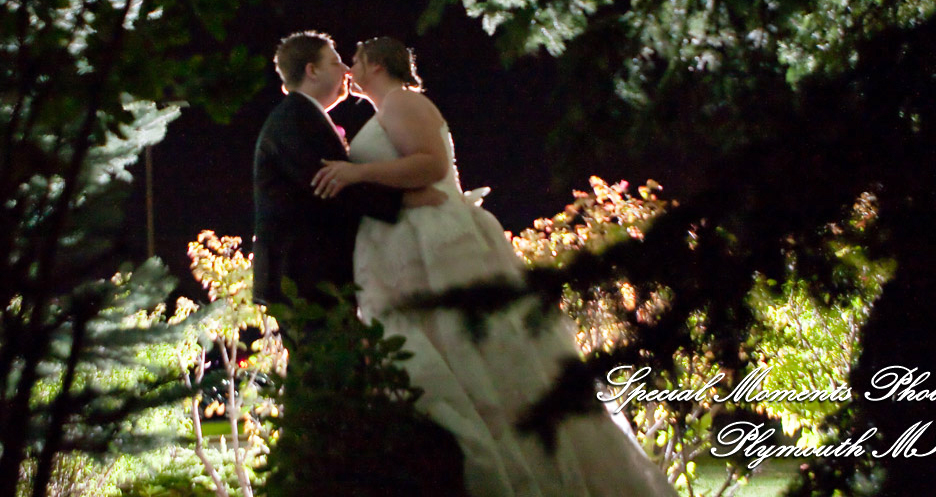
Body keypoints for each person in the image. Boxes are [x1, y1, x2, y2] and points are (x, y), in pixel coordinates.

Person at [311, 37, 676, 497]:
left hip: (433, 244)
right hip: (406, 243)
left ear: (380, 64)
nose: (350, 68)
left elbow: (430, 164)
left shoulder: (403, 103)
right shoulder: (388, 109)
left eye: (358, 59)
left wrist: (357, 173)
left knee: (467, 351)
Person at [251, 31, 443, 328]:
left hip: (315, 276)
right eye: (335, 62)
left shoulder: (304, 117)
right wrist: (407, 200)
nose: (345, 71)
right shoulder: (295, 119)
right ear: (311, 71)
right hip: (305, 277)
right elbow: (333, 187)